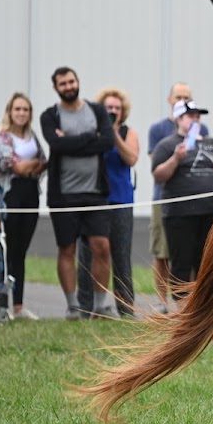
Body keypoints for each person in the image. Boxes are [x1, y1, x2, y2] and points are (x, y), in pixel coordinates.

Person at [40, 67, 116, 319]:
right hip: (63, 195)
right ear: (56, 88)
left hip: (95, 193)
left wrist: (71, 141)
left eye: (71, 81)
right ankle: (73, 306)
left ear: (78, 82)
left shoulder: (97, 111)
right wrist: (88, 138)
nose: (69, 86)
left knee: (101, 246)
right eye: (63, 83)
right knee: (67, 249)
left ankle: (100, 306)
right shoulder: (50, 116)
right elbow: (56, 145)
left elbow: (106, 142)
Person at [151, 100, 213, 302]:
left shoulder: (210, 142)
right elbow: (158, 175)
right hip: (180, 214)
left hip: (211, 211)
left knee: (206, 262)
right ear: (178, 119)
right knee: (181, 263)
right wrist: (175, 159)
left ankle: (203, 307)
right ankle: (181, 310)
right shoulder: (167, 144)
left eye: (198, 116)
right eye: (191, 116)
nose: (196, 119)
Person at [76, 88, 139, 318]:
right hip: (93, 198)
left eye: (117, 108)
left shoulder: (127, 132)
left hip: (120, 199)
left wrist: (114, 135)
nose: (112, 111)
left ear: (123, 112)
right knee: (87, 254)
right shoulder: (91, 131)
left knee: (121, 254)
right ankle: (86, 307)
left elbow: (131, 158)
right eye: (108, 108)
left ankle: (125, 308)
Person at [148, 83, 208, 313]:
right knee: (163, 252)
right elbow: (157, 167)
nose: (182, 99)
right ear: (170, 100)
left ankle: (194, 302)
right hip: (166, 201)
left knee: (194, 253)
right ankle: (162, 302)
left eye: (186, 97)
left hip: (198, 204)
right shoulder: (158, 130)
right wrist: (176, 157)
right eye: (178, 97)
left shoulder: (203, 129)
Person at [0, 92, 46, 318]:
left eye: (25, 109)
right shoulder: (1, 136)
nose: (21, 113)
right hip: (11, 195)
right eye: (17, 109)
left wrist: (28, 165)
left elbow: (43, 162)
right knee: (7, 250)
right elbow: (13, 166)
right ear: (10, 112)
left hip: (31, 194)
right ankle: (0, 302)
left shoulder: (33, 136)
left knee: (20, 252)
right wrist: (28, 166)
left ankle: (19, 306)